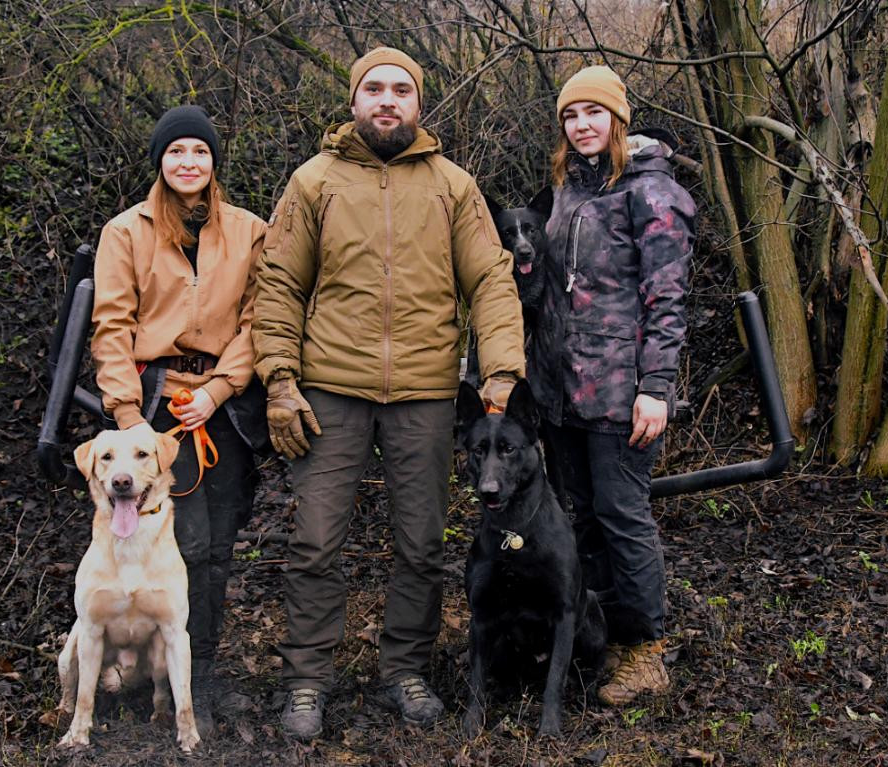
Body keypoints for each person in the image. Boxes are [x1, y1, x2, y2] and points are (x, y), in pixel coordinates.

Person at [252, 47, 525, 740]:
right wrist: (279, 380)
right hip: (329, 390)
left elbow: (491, 279)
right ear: (352, 101)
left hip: (426, 392)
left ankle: (403, 669)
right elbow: (278, 282)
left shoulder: (452, 186)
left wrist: (499, 373)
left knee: (421, 543)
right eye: (373, 88)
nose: (386, 100)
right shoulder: (313, 182)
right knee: (314, 540)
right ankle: (308, 679)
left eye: (400, 89)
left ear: (418, 103)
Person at [90, 105, 268, 736]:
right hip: (154, 406)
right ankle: (151, 671)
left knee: (219, 546)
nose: (188, 162)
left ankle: (204, 673)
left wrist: (220, 389)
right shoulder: (125, 232)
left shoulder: (250, 230)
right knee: (181, 544)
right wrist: (130, 417)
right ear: (160, 162)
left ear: (214, 161)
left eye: (200, 151)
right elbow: (111, 325)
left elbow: (261, 320)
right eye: (176, 152)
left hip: (222, 406)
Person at [529, 66, 695, 708]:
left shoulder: (652, 192)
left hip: (623, 392)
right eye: (572, 117)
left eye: (594, 114)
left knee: (623, 517)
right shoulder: (569, 189)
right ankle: (599, 639)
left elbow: (669, 296)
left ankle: (646, 650)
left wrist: (656, 384)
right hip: (563, 392)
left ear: (618, 119)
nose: (583, 126)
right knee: (582, 518)